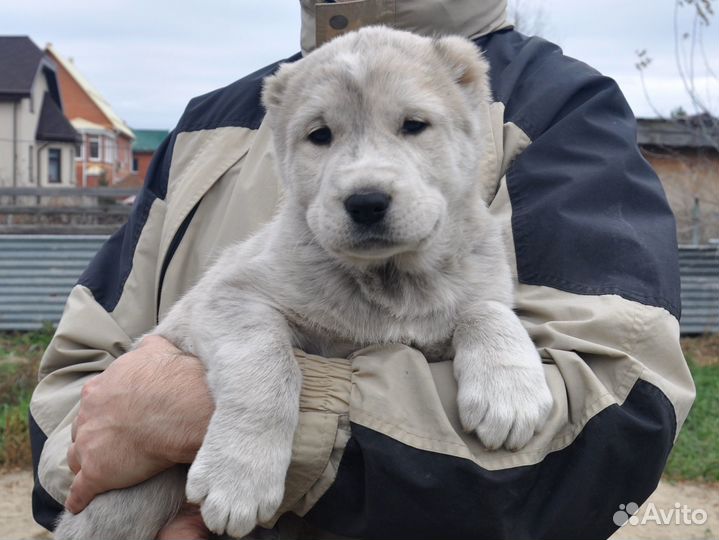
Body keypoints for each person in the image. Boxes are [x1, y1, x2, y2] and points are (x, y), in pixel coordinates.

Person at [30, 1, 695, 538]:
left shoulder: (558, 106)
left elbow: (612, 423)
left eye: (412, 125)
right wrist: (96, 449)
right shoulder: (211, 121)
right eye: (320, 137)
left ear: (467, 95)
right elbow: (75, 391)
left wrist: (219, 414)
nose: (363, 179)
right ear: (285, 134)